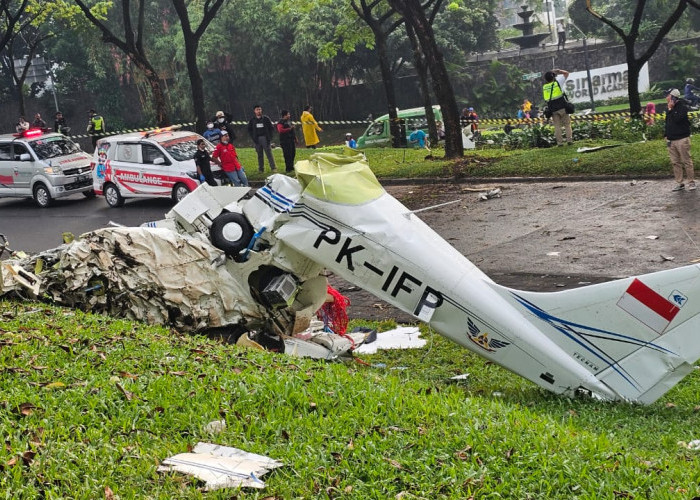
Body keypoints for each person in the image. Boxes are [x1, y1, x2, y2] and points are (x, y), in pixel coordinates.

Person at [664, 88, 695, 191]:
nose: (666, 97)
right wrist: (666, 135)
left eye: (667, 95)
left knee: (687, 161)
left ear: (673, 97)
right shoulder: (668, 108)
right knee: (675, 162)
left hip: (682, 139)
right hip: (671, 140)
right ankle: (680, 183)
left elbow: (677, 120)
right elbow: (668, 123)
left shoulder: (682, 107)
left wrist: (671, 109)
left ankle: (691, 182)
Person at [542, 69, 573, 146]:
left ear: (546, 79)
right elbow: (566, 73)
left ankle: (559, 143)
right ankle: (569, 140)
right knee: (567, 124)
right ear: (553, 77)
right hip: (562, 107)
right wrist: (558, 71)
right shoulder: (558, 83)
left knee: (557, 126)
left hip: (553, 109)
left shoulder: (545, 87)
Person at [247, 105, 277, 173]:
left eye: (260, 109)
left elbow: (271, 128)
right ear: (254, 111)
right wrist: (253, 137)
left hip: (265, 138)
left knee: (269, 154)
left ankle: (273, 168)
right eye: (257, 110)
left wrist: (269, 137)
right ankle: (261, 169)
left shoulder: (266, 118)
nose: (259, 111)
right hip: (257, 139)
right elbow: (249, 129)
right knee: (259, 155)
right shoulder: (252, 120)